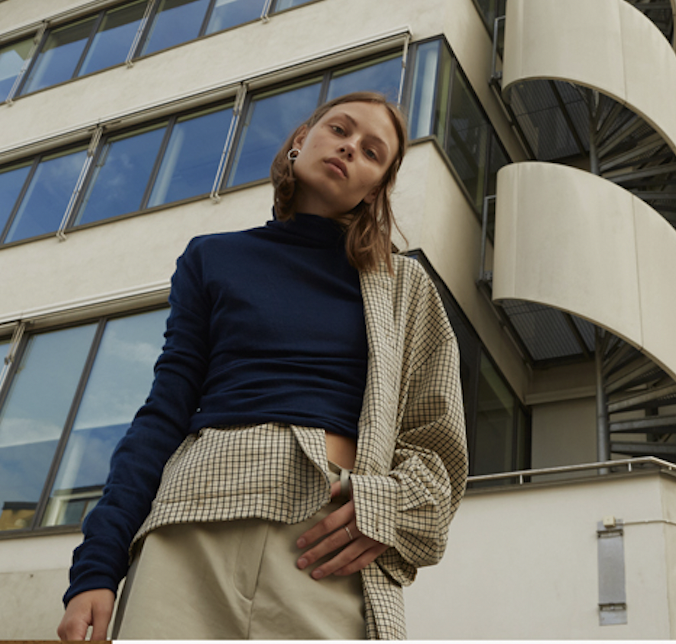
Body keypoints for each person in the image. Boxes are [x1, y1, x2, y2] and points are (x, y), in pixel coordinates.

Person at [57, 91, 467, 641]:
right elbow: (164, 412)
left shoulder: (405, 287)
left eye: (372, 152)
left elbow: (437, 442)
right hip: (192, 523)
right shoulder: (212, 257)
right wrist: (98, 566)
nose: (350, 147)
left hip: (328, 538)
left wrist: (387, 510)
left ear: (376, 188)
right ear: (301, 140)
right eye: (340, 129)